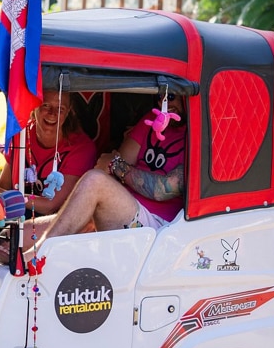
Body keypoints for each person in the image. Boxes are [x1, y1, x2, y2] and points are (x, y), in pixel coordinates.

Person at [27, 90, 186, 255]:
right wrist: (117, 167)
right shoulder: (153, 119)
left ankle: (37, 257)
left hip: (159, 228)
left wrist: (118, 166)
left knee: (95, 181)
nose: (163, 103)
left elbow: (160, 190)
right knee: (21, 232)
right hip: (122, 209)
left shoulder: (197, 134)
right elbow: (112, 163)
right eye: (160, 96)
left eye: (171, 96)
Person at [0, 90, 97, 216]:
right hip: (19, 215)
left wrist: (5, 197)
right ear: (33, 106)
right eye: (46, 105)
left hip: (57, 223)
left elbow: (50, 205)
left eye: (60, 108)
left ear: (68, 111)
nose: (52, 114)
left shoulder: (81, 148)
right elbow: (3, 185)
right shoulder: (21, 134)